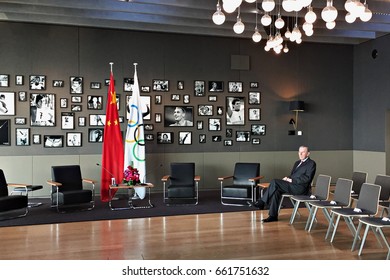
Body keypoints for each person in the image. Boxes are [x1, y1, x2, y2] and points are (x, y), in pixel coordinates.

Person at [250, 145, 316, 223]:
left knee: (275, 182)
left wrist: (291, 180)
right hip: (292, 185)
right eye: (299, 152)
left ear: (308, 153)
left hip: (300, 188)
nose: (300, 154)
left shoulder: (311, 163)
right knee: (276, 191)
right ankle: (273, 216)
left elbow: (307, 178)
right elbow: (292, 175)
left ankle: (262, 202)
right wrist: (287, 178)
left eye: (303, 152)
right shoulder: (297, 163)